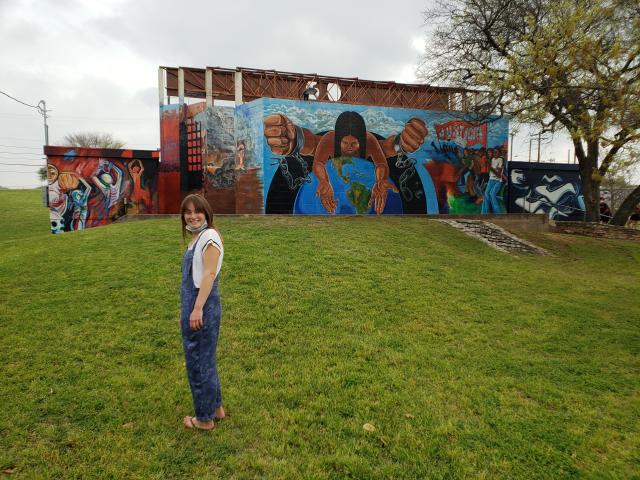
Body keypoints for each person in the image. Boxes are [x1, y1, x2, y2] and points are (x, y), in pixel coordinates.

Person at [264, 111, 427, 214]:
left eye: (354, 144)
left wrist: (381, 179)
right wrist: (324, 181)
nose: (349, 148)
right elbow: (318, 161)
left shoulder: (369, 141)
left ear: (361, 141)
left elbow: (382, 161)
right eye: (345, 143)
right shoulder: (328, 139)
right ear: (338, 140)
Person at [179, 193, 225, 430]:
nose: (192, 216)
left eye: (197, 211)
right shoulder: (199, 238)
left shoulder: (209, 236)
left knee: (198, 361)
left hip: (201, 305)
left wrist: (197, 308)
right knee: (205, 359)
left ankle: (204, 419)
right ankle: (216, 408)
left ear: (206, 213)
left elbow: (208, 274)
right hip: (197, 304)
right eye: (187, 212)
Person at [481, 148, 504, 214]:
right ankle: (485, 212)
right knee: (486, 194)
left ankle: (497, 213)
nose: (494, 154)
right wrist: (492, 169)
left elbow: (499, 175)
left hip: (497, 180)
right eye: (494, 152)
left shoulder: (500, 159)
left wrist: (490, 168)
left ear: (499, 153)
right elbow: (492, 171)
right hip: (491, 179)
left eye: (496, 152)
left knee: (492, 194)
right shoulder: (493, 159)